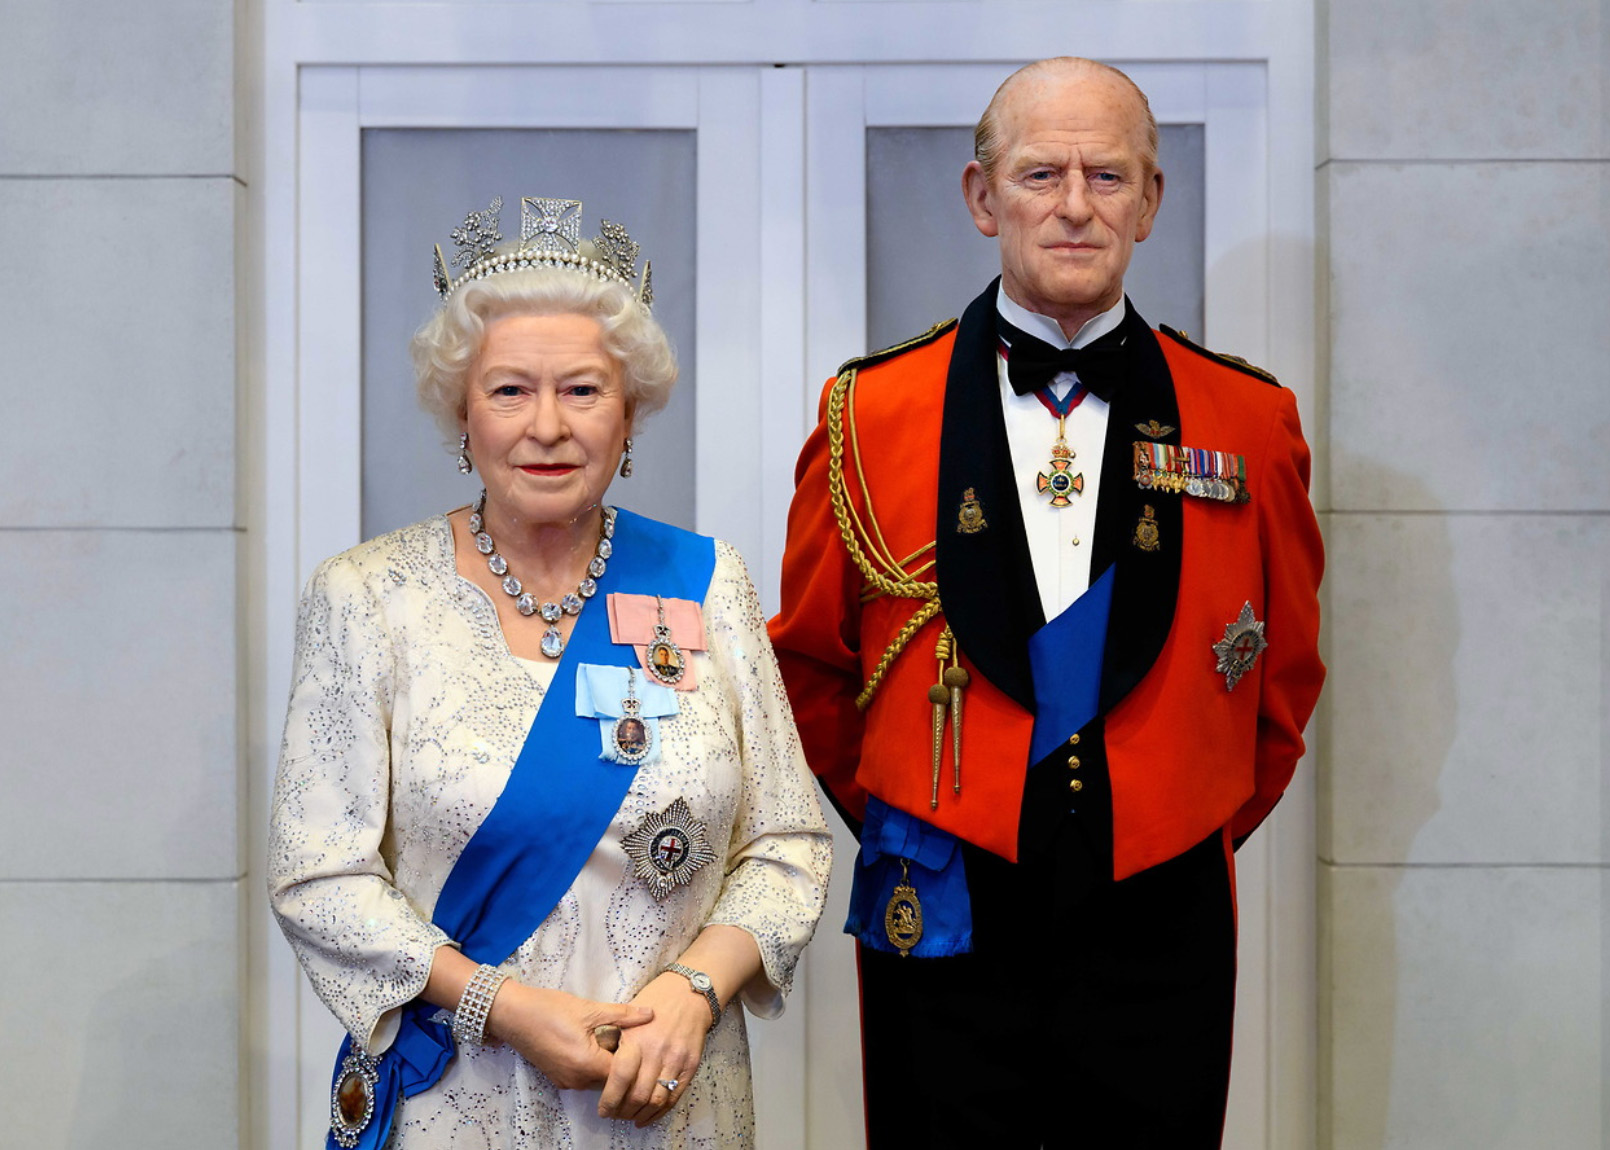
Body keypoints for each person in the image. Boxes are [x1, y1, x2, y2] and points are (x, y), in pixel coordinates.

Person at [770, 58, 1325, 1148]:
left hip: (1159, 898)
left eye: (1107, 176)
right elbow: (811, 668)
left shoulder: (1249, 421)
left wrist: (1170, 812)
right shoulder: (866, 411)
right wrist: (927, 810)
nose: (1074, 205)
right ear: (983, 199)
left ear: (1150, 202)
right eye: (1040, 175)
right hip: (942, 895)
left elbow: (1282, 686)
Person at [269, 195, 832, 1150]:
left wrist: (694, 993)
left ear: (629, 414)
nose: (547, 427)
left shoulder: (706, 582)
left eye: (582, 391)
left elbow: (786, 843)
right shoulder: (368, 597)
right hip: (459, 1091)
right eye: (509, 392)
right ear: (462, 411)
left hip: (672, 1094)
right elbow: (318, 876)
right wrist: (503, 1005)